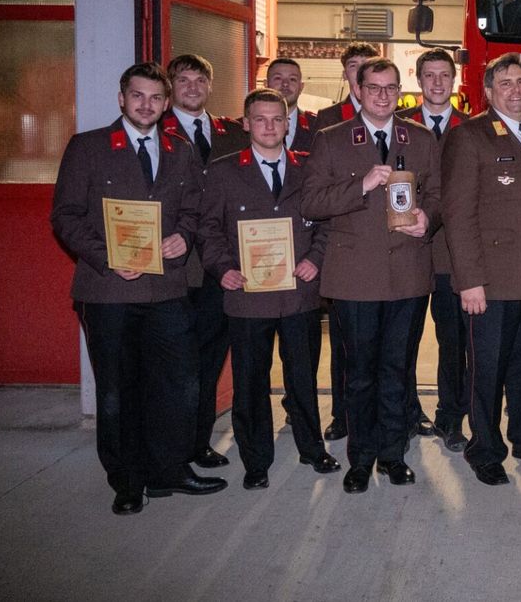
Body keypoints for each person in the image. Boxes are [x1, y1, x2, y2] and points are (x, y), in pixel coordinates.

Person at [51, 62, 226, 514]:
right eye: (137, 96)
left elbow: (192, 210)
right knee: (116, 390)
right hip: (108, 291)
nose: (146, 105)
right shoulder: (89, 147)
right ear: (121, 98)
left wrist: (183, 238)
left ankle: (169, 470)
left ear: (165, 103)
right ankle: (127, 480)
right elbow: (65, 217)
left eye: (154, 98)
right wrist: (109, 256)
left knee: (177, 384)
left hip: (166, 292)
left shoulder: (179, 150)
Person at [300, 57, 440, 494]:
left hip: (408, 277)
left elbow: (437, 194)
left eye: (391, 88)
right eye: (374, 87)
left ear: (401, 92)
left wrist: (426, 219)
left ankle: (393, 456)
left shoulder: (419, 138)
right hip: (354, 277)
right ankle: (360, 459)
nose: (382, 95)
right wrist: (360, 185)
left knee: (398, 370)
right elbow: (311, 203)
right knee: (359, 374)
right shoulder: (331, 140)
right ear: (357, 90)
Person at [198, 89, 341, 490]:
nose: (269, 127)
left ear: (288, 123)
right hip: (247, 295)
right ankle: (256, 460)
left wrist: (316, 258)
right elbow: (207, 228)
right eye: (260, 119)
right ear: (246, 124)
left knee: (302, 378)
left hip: (298, 294)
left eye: (278, 119)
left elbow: (328, 221)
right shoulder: (224, 171)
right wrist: (222, 268)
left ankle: (313, 449)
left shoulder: (309, 167)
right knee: (250, 382)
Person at [442, 53, 521, 486]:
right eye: (506, 83)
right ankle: (485, 449)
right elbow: (458, 216)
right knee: (487, 370)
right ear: (490, 92)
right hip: (491, 281)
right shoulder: (470, 136)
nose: (517, 90)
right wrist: (470, 281)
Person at [160, 53, 248, 471]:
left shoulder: (230, 133)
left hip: (222, 268)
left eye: (200, 79)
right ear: (171, 87)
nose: (192, 87)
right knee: (175, 364)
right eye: (183, 81)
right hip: (175, 269)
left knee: (211, 360)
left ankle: (197, 443)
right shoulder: (157, 131)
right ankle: (170, 448)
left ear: (209, 86)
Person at [397, 48, 470, 451]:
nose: (438, 83)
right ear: (419, 80)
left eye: (445, 75)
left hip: (451, 255)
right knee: (403, 341)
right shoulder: (398, 126)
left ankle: (450, 417)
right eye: (430, 75)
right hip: (405, 250)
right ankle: (407, 414)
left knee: (452, 342)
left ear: (454, 80)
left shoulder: (471, 127)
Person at [312, 41, 379, 441]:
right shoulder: (327, 122)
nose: (361, 75)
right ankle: (342, 415)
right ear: (349, 78)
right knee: (344, 347)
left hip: (388, 253)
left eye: (367, 68)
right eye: (355, 68)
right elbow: (314, 188)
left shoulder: (398, 122)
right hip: (343, 251)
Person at [314, 41, 379, 131]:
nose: (360, 70)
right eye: (353, 66)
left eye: (365, 65)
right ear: (345, 75)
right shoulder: (328, 117)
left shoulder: (395, 112)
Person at [264, 57, 319, 152]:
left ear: (301, 87)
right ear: (266, 84)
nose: (285, 84)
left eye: (292, 79)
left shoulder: (317, 126)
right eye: (278, 78)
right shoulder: (245, 127)